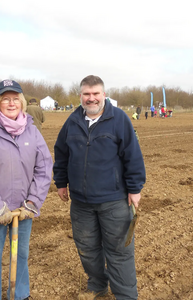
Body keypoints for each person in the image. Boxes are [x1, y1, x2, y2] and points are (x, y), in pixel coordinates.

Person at [53, 75, 146, 300]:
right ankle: (97, 285)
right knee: (87, 249)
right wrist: (61, 182)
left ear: (104, 95)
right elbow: (61, 153)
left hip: (113, 201)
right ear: (81, 96)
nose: (91, 98)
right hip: (81, 203)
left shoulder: (119, 120)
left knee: (119, 252)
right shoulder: (72, 122)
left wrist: (135, 189)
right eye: (87, 94)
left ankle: (125, 296)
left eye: (96, 94)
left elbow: (133, 156)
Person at [0, 79, 53, 300]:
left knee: (21, 256)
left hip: (23, 212)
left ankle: (20, 295)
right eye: (6, 99)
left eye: (16, 99)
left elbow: (44, 168)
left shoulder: (33, 132)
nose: (11, 103)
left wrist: (33, 202)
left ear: (22, 103)